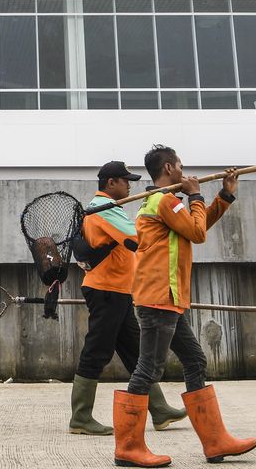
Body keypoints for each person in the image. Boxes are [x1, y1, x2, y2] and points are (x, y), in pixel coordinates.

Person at [112, 146, 256, 468]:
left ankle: (215, 441)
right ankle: (128, 447)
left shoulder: (167, 202)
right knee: (148, 369)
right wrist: (195, 195)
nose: (184, 169)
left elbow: (197, 225)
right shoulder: (163, 201)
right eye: (180, 165)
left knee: (194, 359)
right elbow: (196, 231)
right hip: (158, 297)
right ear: (169, 167)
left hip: (170, 298)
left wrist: (224, 195)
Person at [70, 160, 186, 437]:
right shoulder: (105, 209)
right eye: (126, 181)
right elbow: (137, 240)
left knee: (136, 352)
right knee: (97, 350)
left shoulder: (106, 209)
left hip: (118, 290)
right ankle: (80, 418)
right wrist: (161, 211)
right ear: (111, 183)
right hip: (106, 290)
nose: (129, 186)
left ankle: (159, 410)